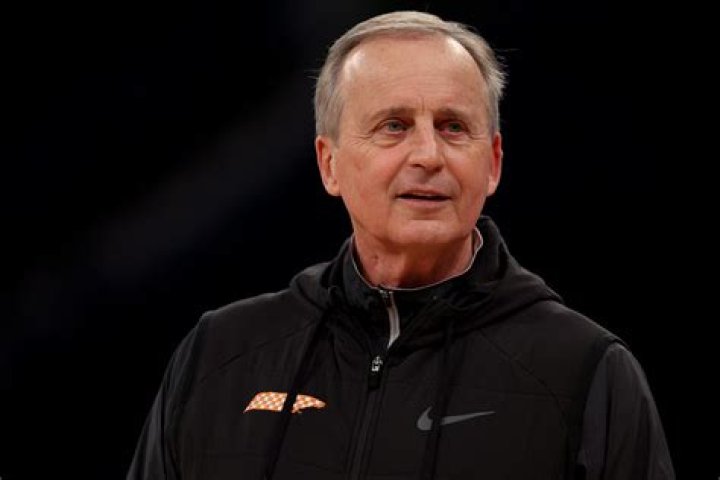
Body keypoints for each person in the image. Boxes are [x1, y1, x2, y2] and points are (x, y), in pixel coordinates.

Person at [127, 11, 675, 480]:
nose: (428, 155)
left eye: (453, 127)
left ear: (493, 164)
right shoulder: (220, 356)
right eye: (393, 126)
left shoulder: (585, 373)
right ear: (329, 163)